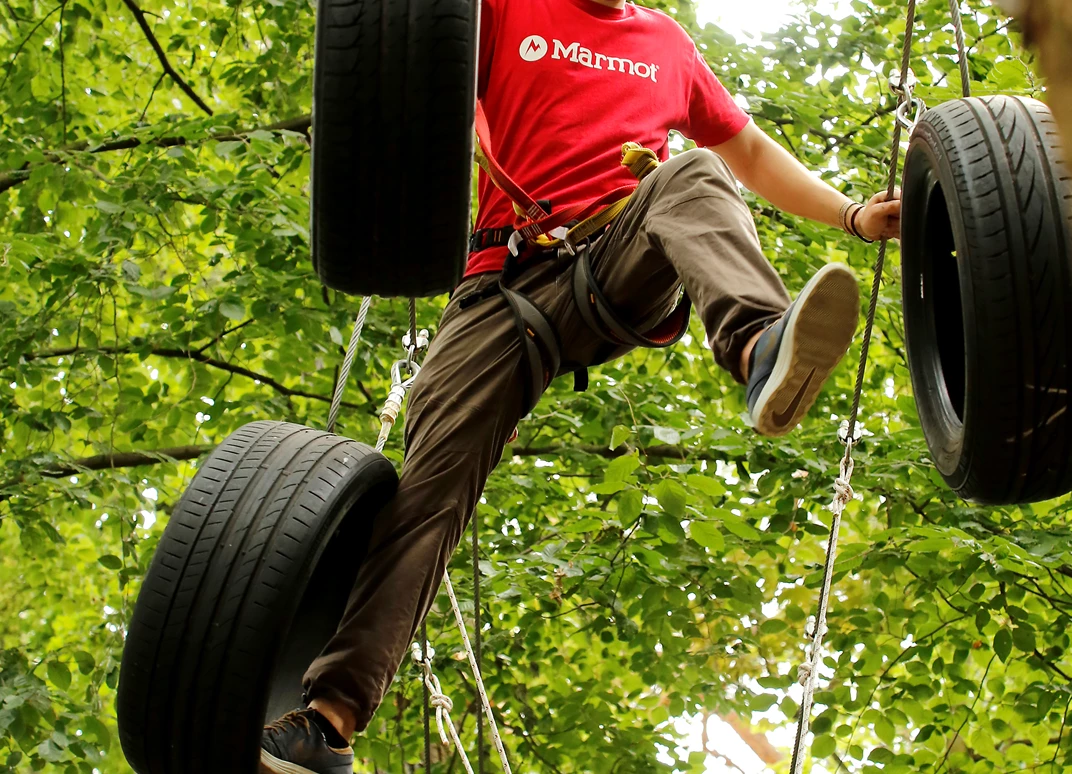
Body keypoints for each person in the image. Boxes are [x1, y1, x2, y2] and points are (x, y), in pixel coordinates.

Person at [259, 0, 900, 770]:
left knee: (692, 170)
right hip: (501, 284)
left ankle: (758, 343)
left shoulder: (665, 41)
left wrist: (852, 215)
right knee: (425, 494)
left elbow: (751, 151)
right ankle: (327, 722)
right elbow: (415, 59)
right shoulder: (503, 7)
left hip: (618, 260)